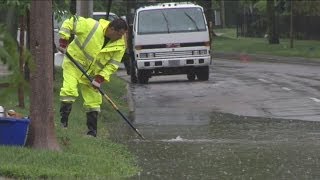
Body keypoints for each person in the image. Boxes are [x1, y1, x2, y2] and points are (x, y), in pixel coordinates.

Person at [58, 15, 127, 137]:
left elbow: (112, 65)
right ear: (111, 29)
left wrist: (100, 78)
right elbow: (70, 22)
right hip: (74, 64)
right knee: (69, 91)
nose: (121, 38)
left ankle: (92, 133)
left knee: (94, 101)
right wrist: (64, 41)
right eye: (119, 35)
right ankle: (63, 125)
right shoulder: (91, 25)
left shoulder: (120, 45)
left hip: (92, 75)